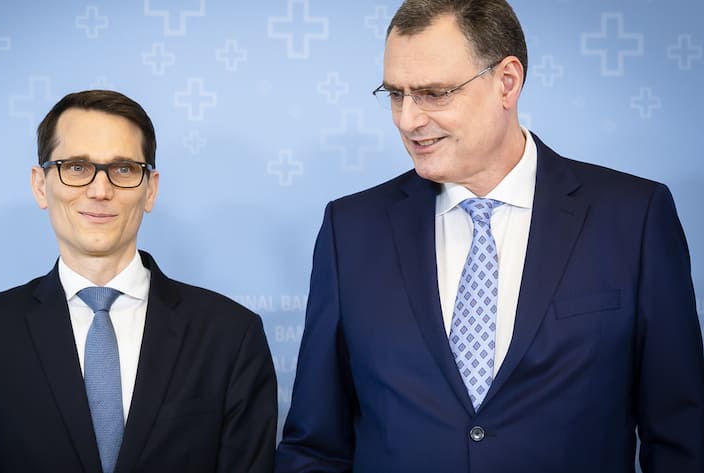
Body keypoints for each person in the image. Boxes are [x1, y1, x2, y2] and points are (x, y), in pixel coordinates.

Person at [275, 1, 704, 472]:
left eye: (434, 93)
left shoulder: (633, 218)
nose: (407, 119)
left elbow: (681, 437)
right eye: (396, 94)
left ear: (507, 82)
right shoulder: (350, 230)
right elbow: (314, 447)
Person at [0, 90, 277, 473]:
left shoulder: (230, 335)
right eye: (76, 167)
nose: (100, 189)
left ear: (150, 189)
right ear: (41, 185)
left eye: (123, 169)